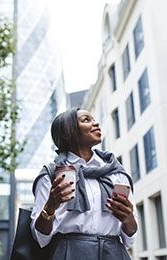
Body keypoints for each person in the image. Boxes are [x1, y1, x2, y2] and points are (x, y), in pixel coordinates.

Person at [30, 108, 138, 260]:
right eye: (86, 120)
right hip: (69, 253)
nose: (96, 123)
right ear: (68, 131)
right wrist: (51, 205)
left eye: (94, 119)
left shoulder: (116, 172)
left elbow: (130, 238)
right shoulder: (52, 174)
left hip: (113, 253)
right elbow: (40, 237)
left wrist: (128, 218)